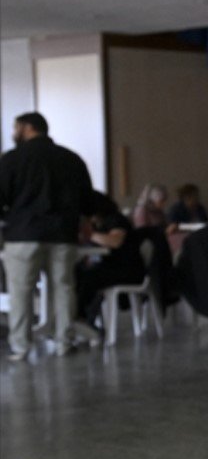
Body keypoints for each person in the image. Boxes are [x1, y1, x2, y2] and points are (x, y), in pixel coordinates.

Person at [0, 112, 97, 356]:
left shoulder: (12, 159)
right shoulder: (71, 159)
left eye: (16, 127)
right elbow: (88, 199)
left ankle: (21, 346)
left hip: (23, 234)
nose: (14, 133)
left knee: (21, 292)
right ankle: (64, 341)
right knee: (63, 289)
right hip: (63, 234)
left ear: (28, 127)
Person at [76, 192, 148, 327]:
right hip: (112, 267)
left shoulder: (116, 220)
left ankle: (81, 318)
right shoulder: (99, 224)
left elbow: (115, 241)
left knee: (89, 277)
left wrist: (89, 235)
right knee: (78, 272)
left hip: (127, 270)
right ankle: (80, 317)